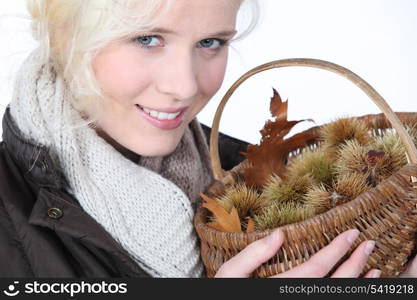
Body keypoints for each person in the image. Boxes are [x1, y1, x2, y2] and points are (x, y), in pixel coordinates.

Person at [0, 0, 415, 278]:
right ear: (64, 37)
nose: (184, 86)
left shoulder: (249, 177)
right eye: (147, 39)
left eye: (211, 42)